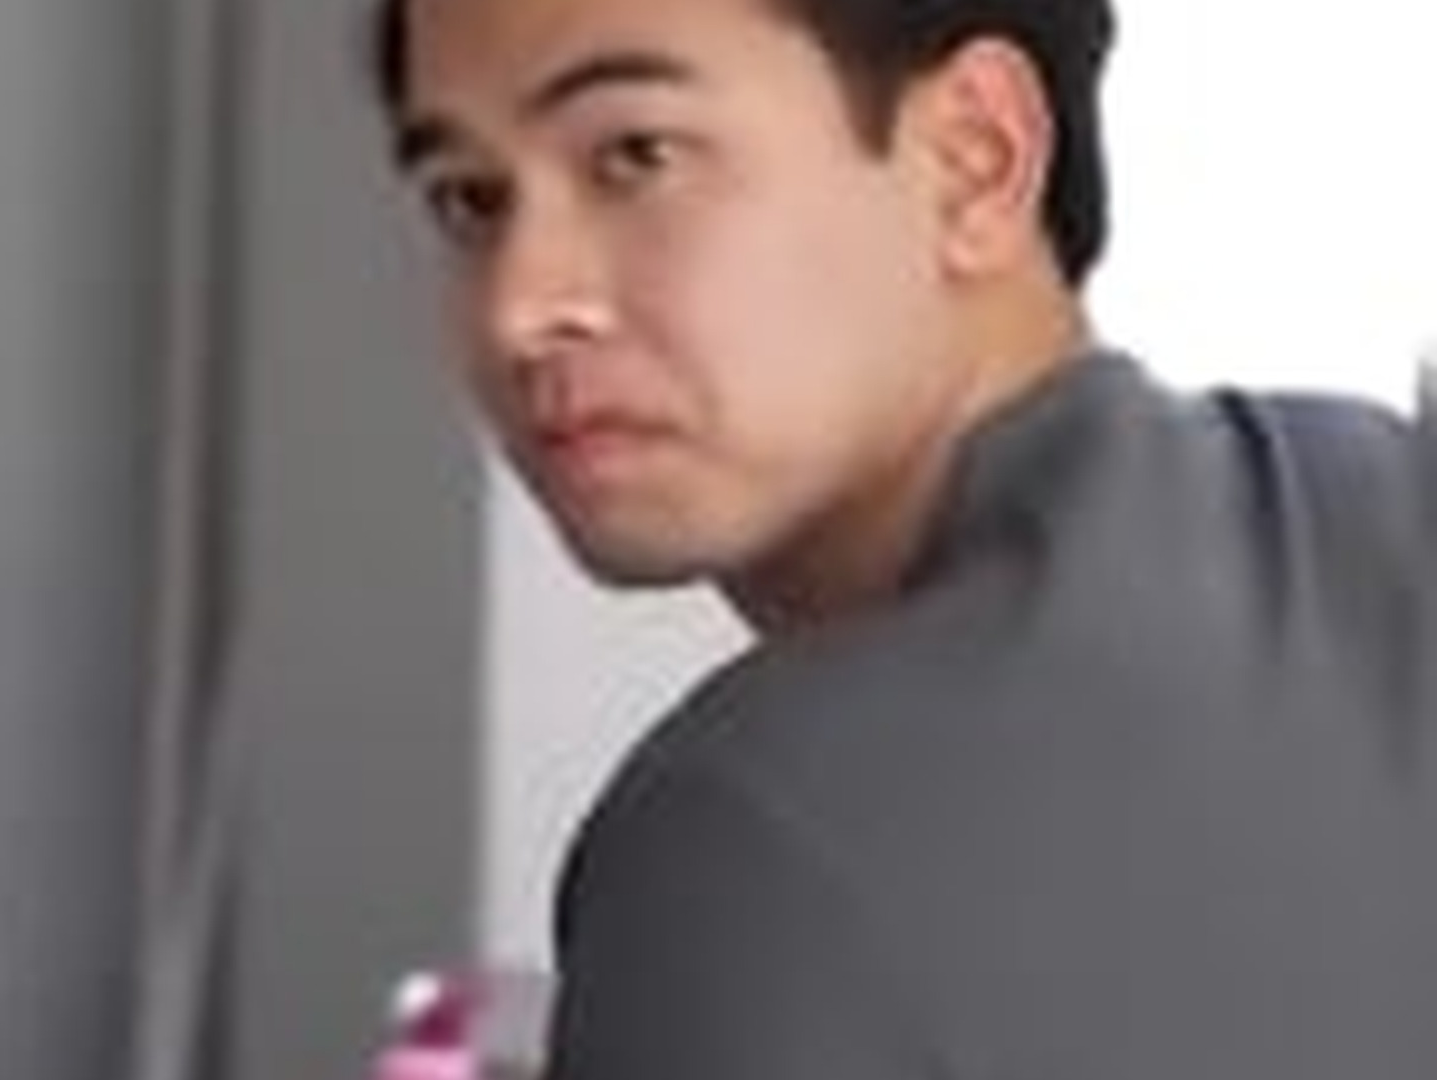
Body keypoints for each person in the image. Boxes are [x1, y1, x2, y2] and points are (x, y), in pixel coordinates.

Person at [366, 0, 1437, 1076]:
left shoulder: (748, 836)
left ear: (975, 160)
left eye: (636, 155)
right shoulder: (1385, 504)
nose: (519, 308)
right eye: (469, 199)